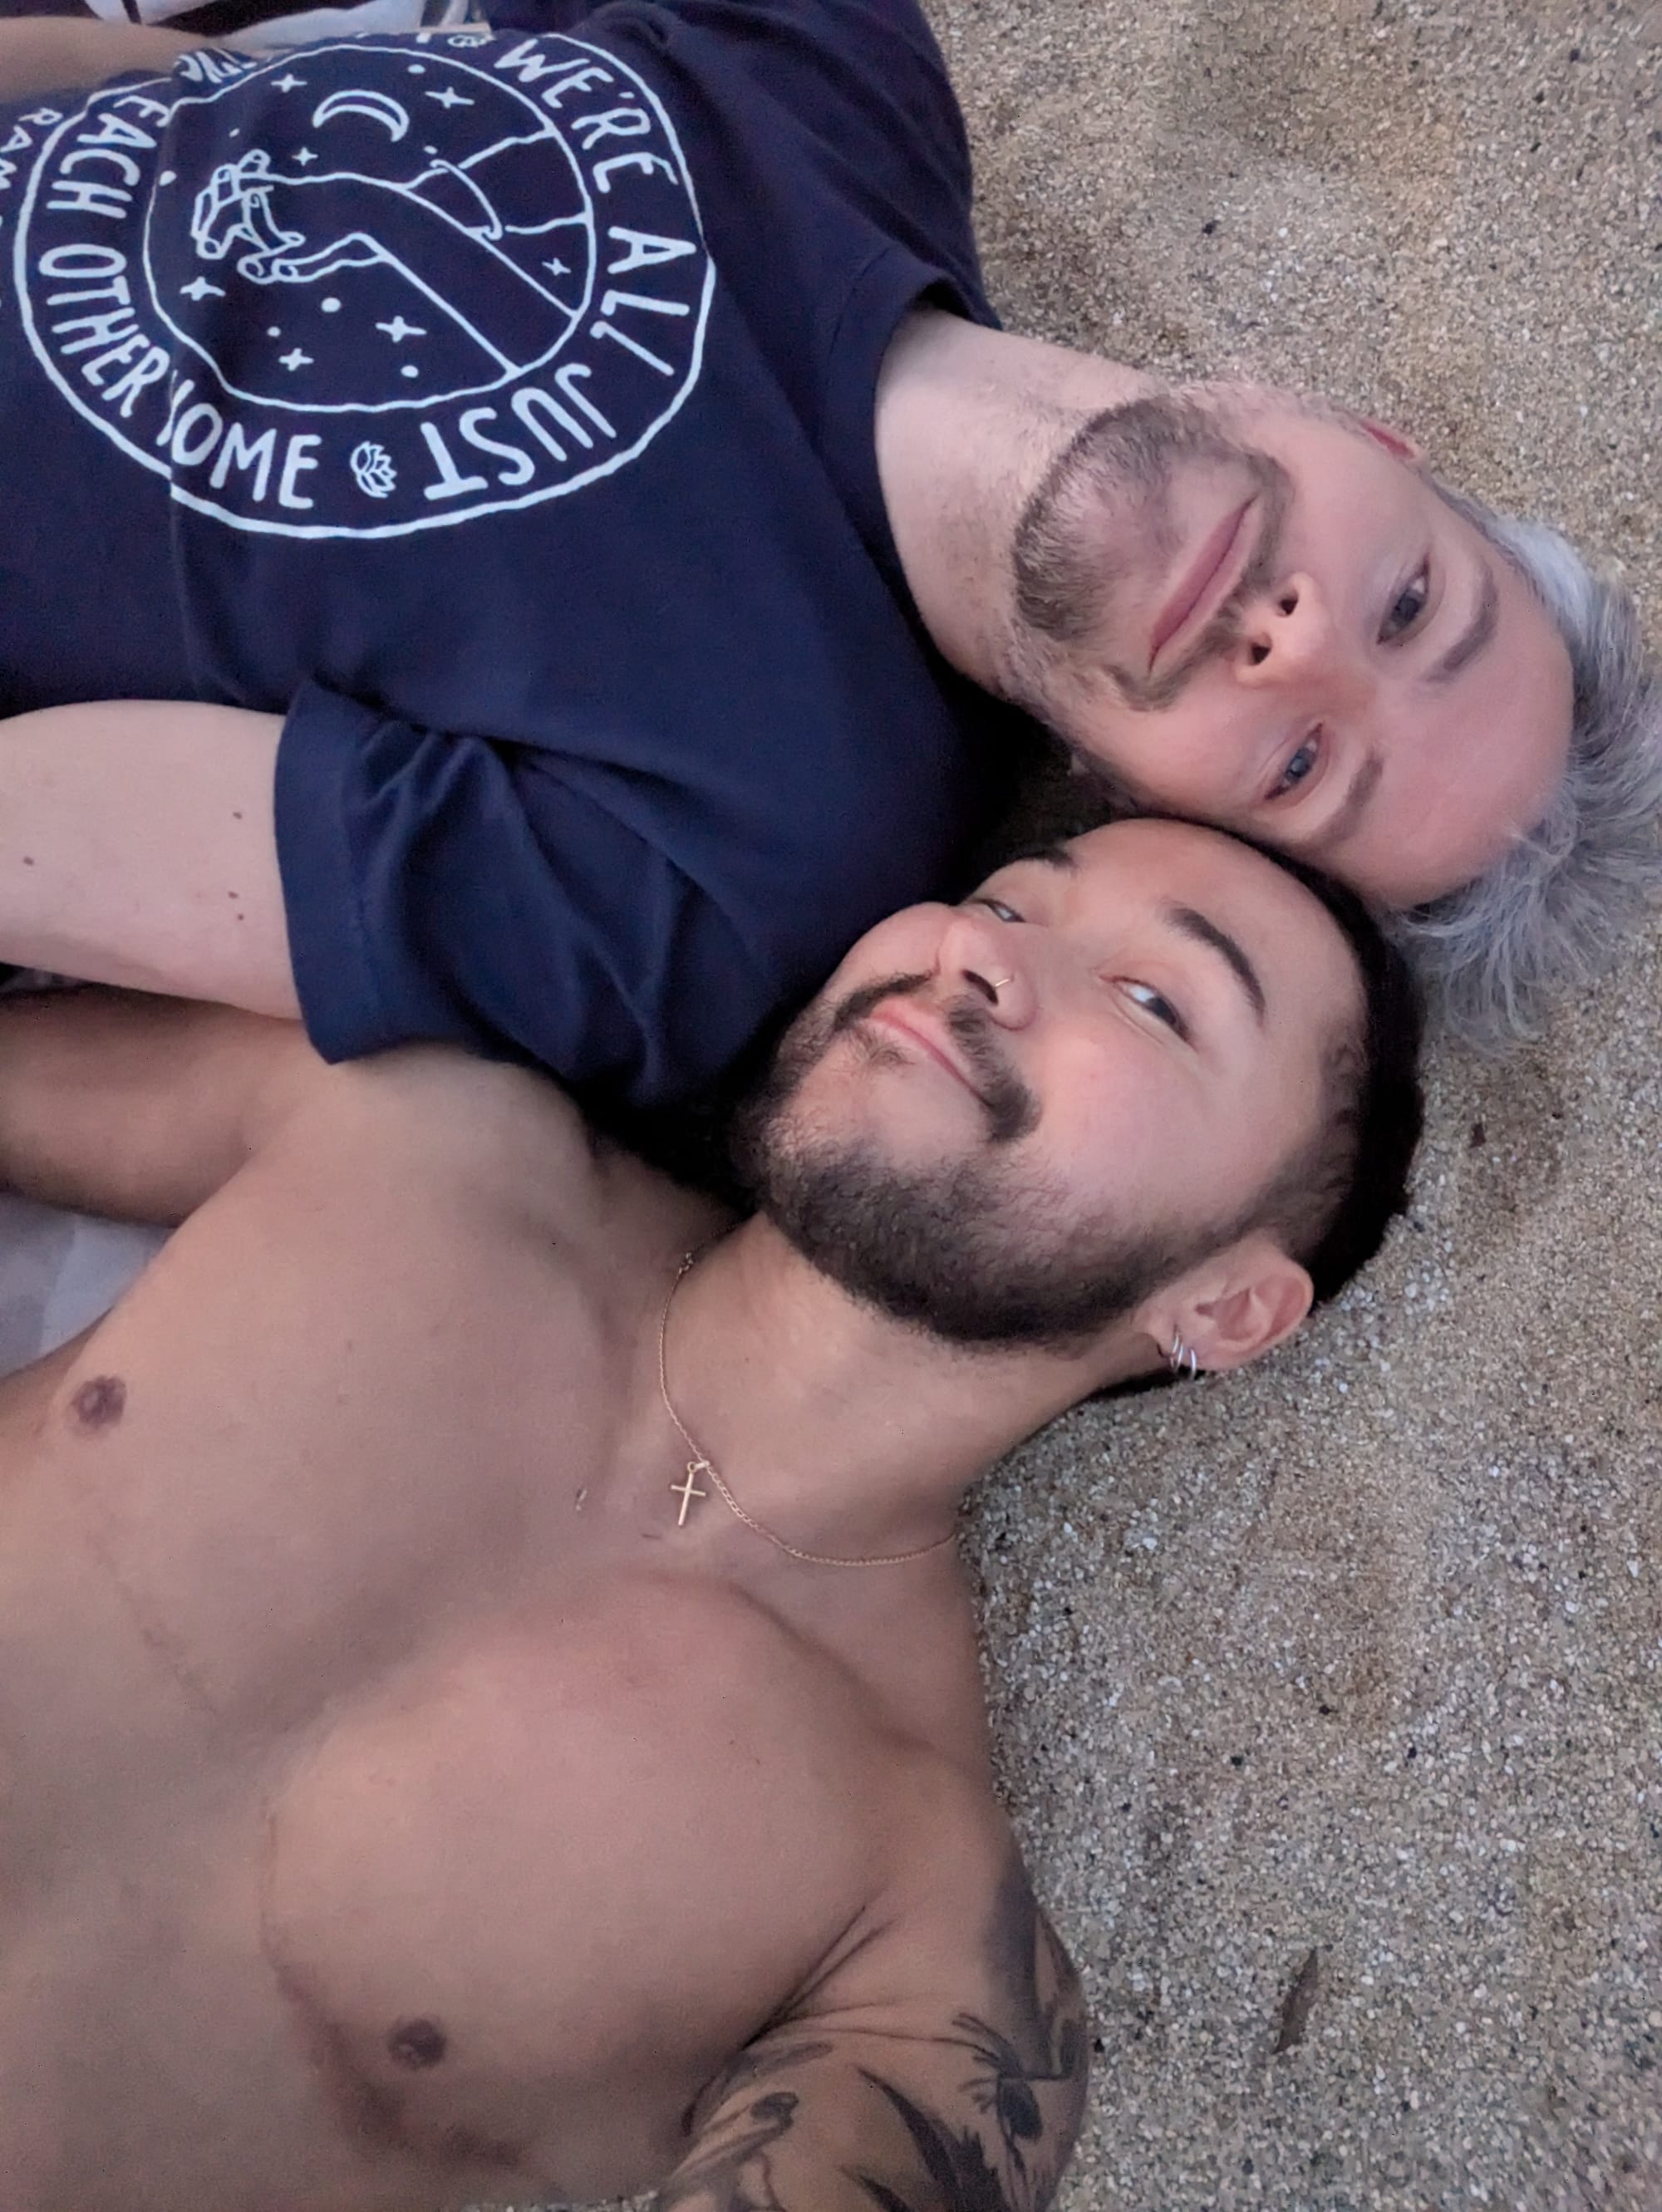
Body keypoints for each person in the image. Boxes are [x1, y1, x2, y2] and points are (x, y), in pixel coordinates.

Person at [0, 815, 1422, 2211]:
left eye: (1154, 998)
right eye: (1002, 899)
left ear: (1226, 1308)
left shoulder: (906, 1934)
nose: (979, 956)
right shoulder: (416, 1135)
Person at [0, 0, 1637, 1094]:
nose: (1301, 643)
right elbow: (181, 106)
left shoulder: (729, 878)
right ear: (1376, 440)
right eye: (1411, 604)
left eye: (1298, 765)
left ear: (1156, 822)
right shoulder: (831, 59)